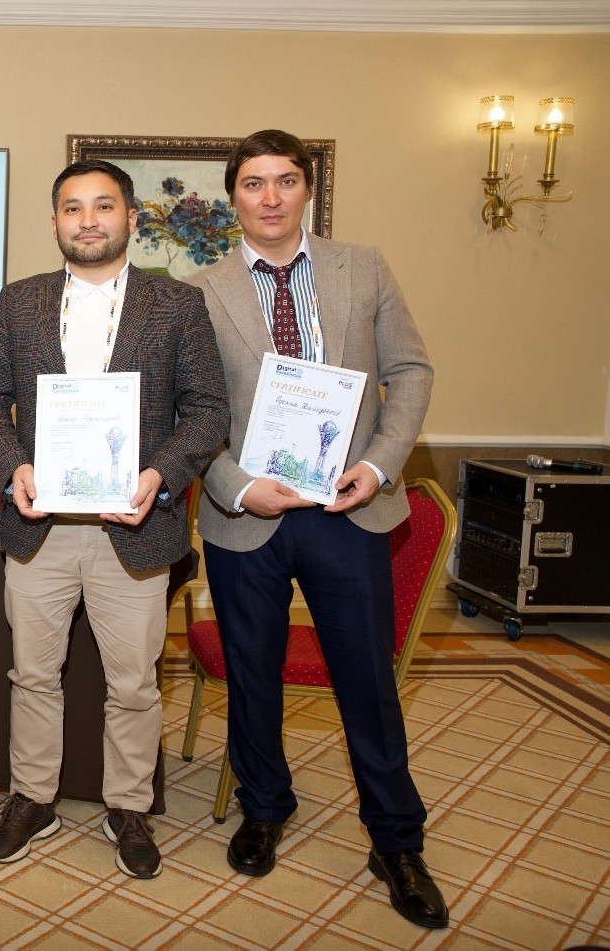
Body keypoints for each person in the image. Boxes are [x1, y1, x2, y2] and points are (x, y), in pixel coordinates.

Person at [189, 129, 446, 928]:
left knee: (367, 683)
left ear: (306, 189)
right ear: (232, 198)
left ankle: (395, 841)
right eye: (253, 183)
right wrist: (235, 485)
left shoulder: (361, 267)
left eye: (284, 180)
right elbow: (187, 409)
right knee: (252, 677)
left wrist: (377, 464)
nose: (269, 197)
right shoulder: (199, 290)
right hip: (246, 517)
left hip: (348, 509)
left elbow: (409, 370)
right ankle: (264, 805)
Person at [0, 160, 229, 879]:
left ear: (130, 217)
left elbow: (207, 408)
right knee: (32, 675)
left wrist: (159, 476)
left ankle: (129, 806)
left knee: (135, 683)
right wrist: (13, 467)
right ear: (54, 221)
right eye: (72, 208)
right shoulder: (19, 302)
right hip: (41, 527)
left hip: (135, 530)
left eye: (103, 206)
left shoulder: (176, 304)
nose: (87, 221)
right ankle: (32, 797)